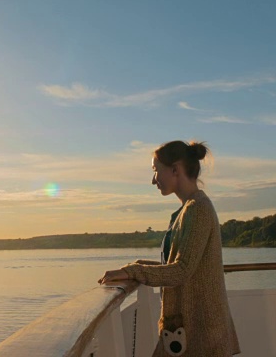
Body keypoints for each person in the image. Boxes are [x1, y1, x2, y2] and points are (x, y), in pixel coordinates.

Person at [98, 140, 240, 357]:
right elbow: (176, 265)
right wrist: (135, 267)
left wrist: (134, 272)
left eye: (156, 171)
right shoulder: (188, 209)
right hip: (189, 332)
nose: (153, 179)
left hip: (202, 335)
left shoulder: (198, 209)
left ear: (175, 169)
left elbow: (181, 270)